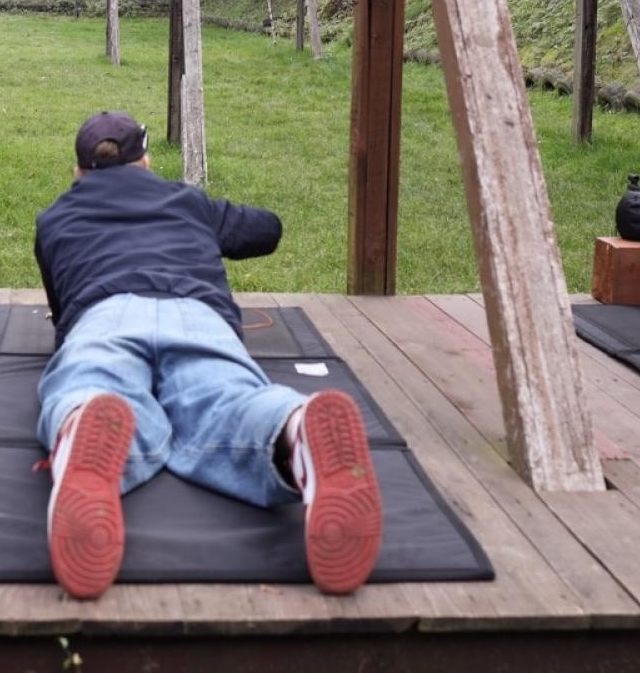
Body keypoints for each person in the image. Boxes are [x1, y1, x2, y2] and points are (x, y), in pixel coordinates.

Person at [33, 111, 382, 600]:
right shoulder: (187, 200)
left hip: (106, 313)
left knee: (89, 379)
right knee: (226, 397)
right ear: (146, 161)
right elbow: (266, 230)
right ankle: (293, 428)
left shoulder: (53, 219)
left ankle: (82, 421)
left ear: (78, 172)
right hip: (197, 313)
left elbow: (61, 305)